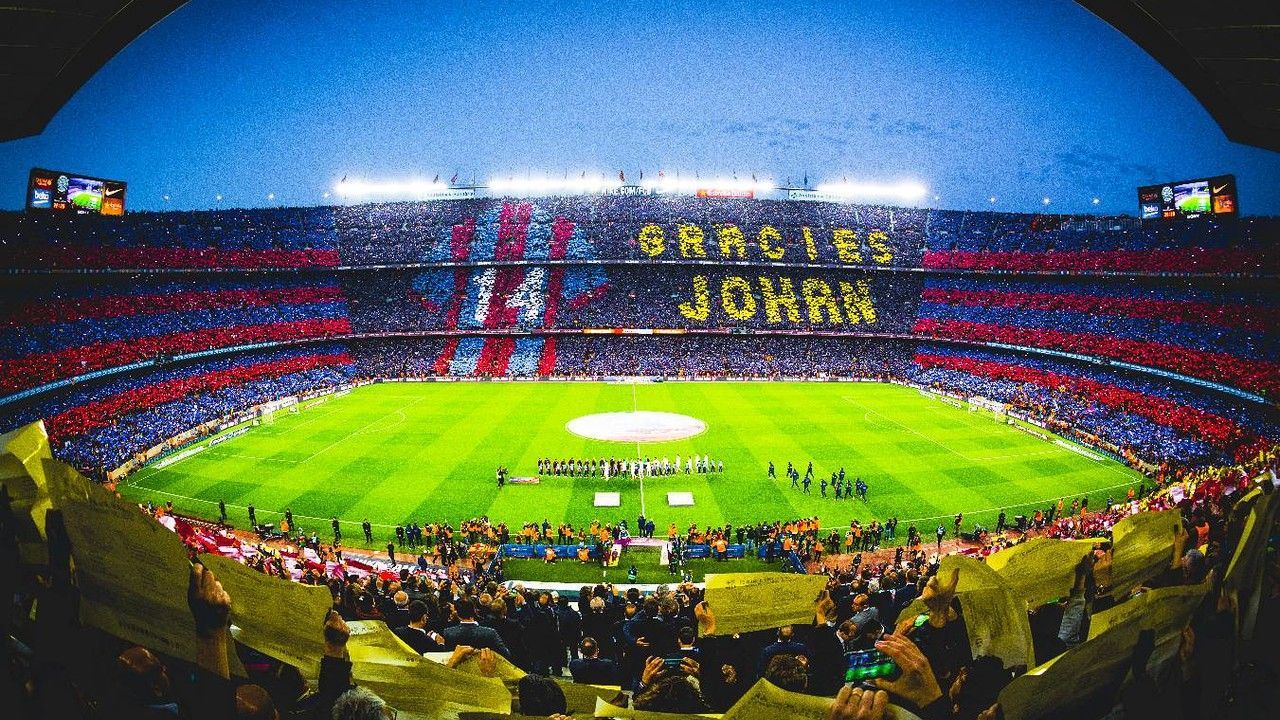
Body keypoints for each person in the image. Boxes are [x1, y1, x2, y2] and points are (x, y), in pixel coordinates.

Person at [443, 597, 512, 659]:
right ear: (475, 610)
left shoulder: (448, 633)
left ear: (457, 613)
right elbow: (506, 654)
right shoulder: (490, 633)